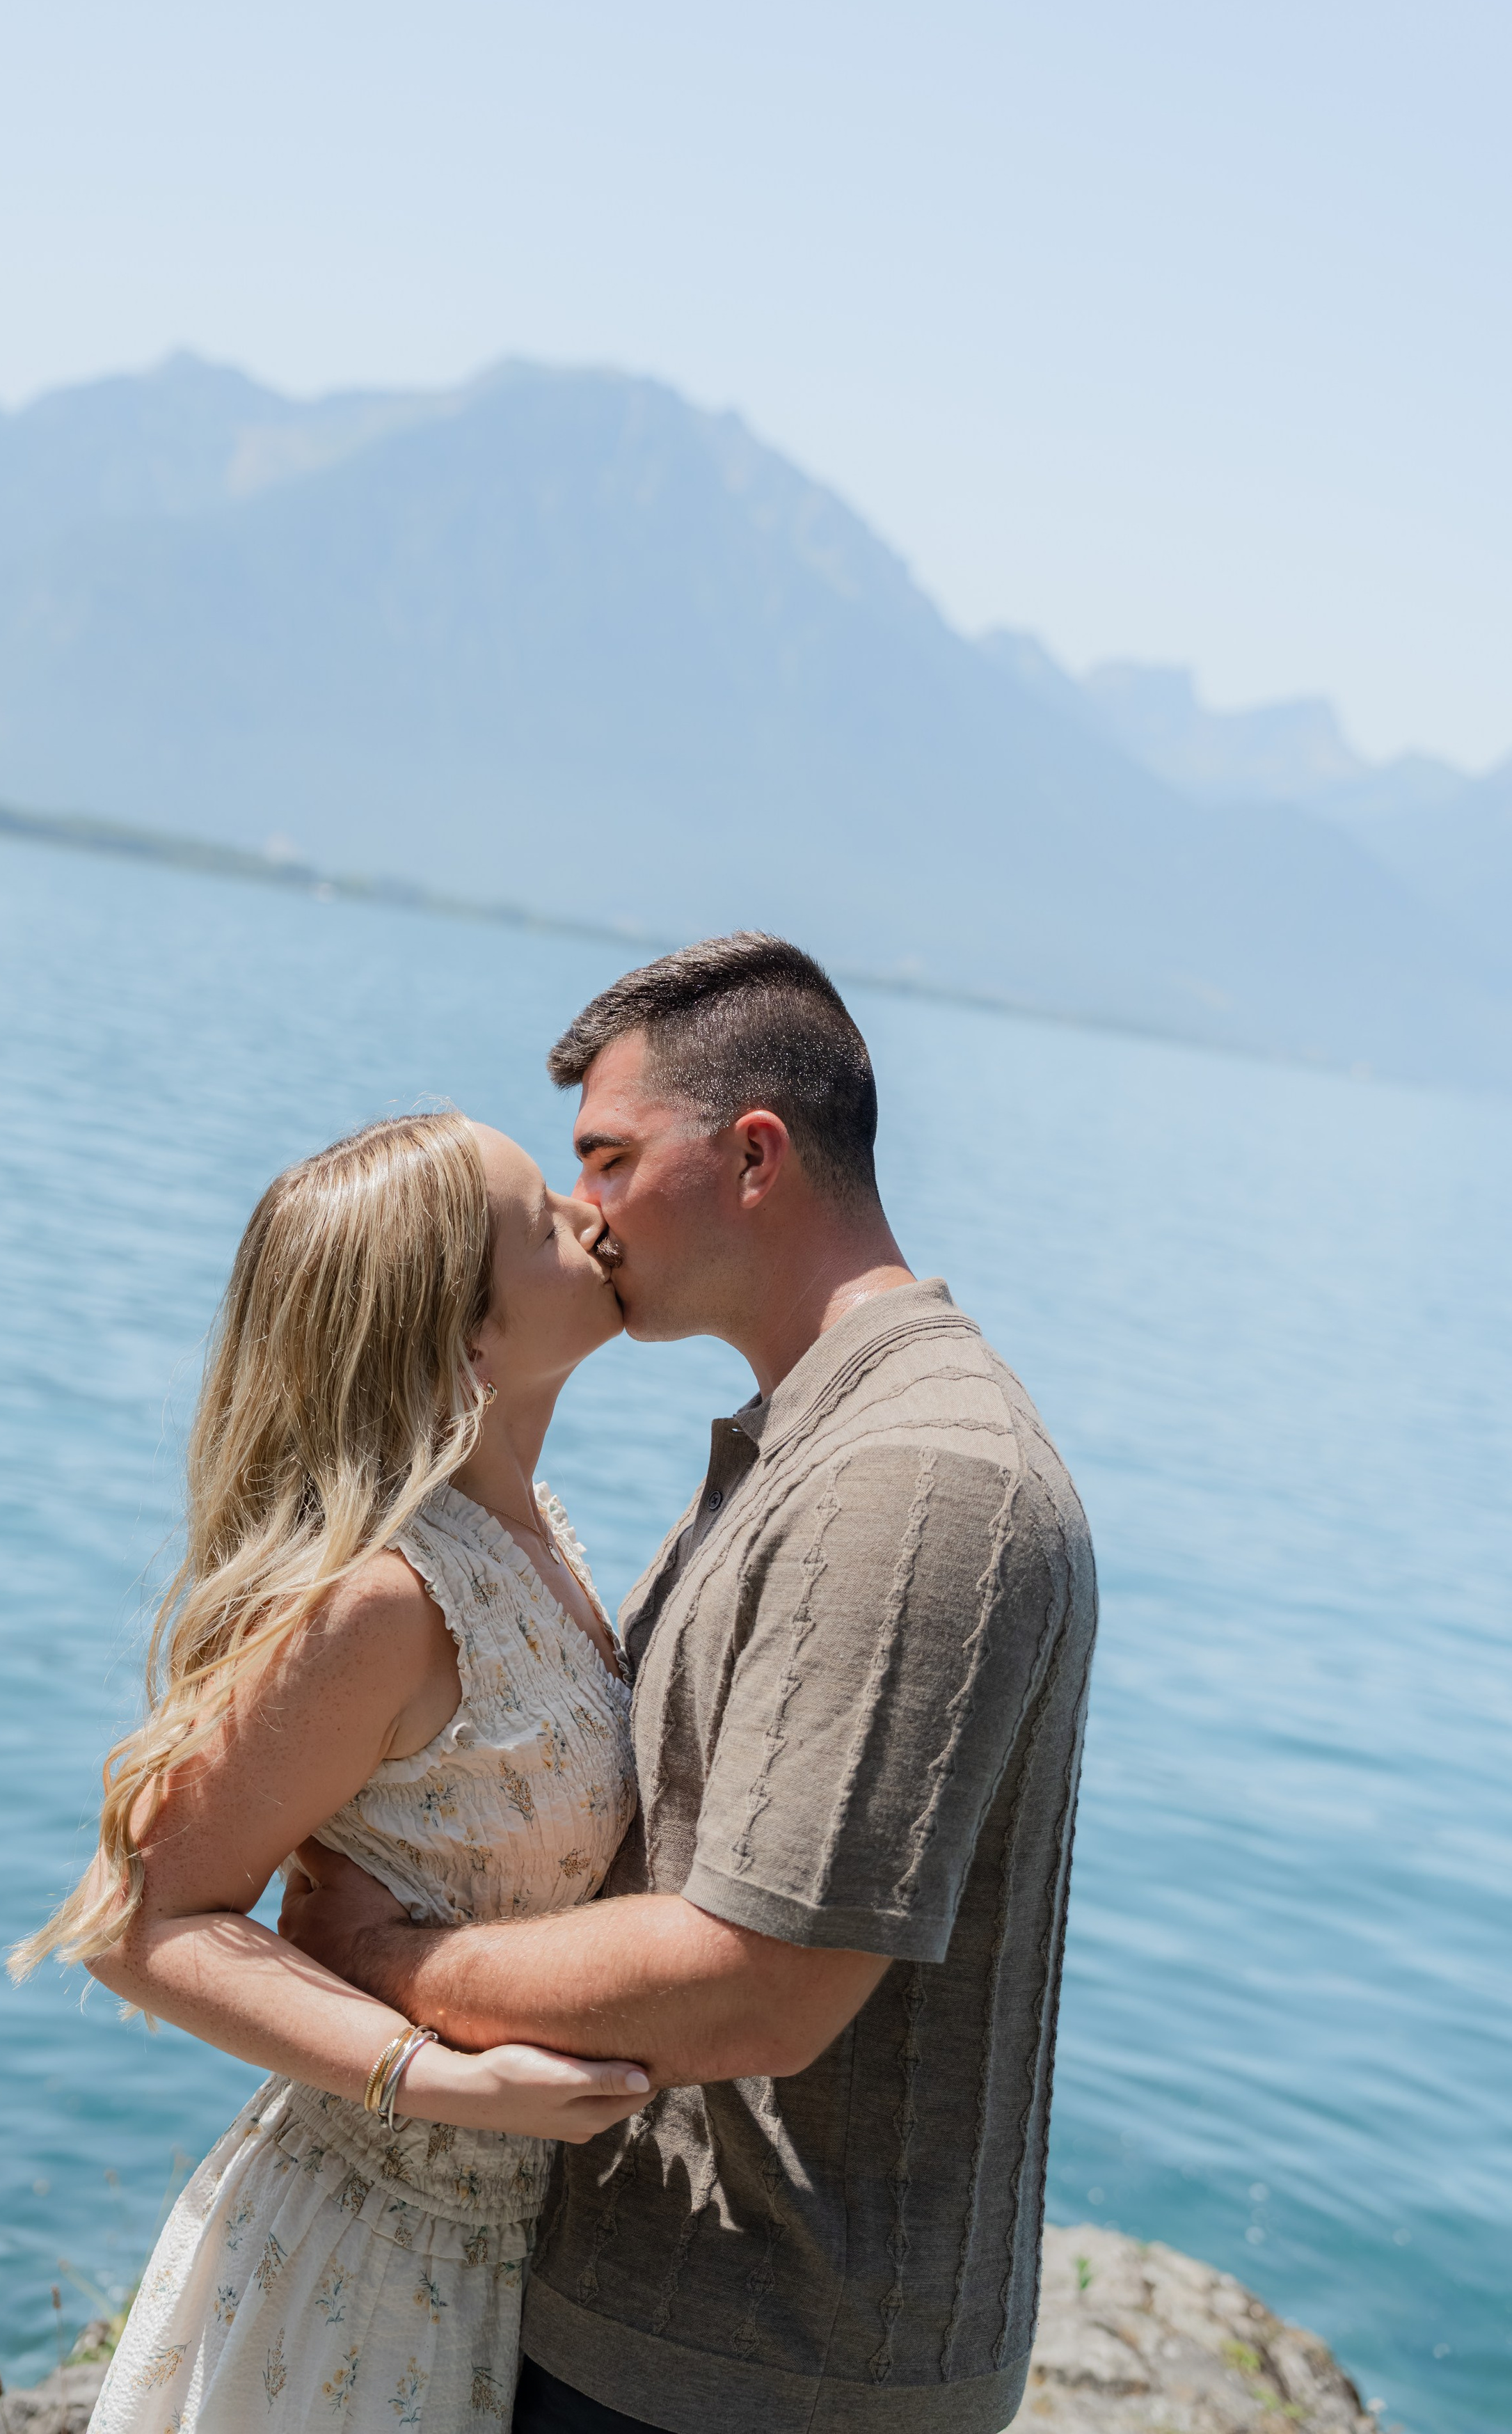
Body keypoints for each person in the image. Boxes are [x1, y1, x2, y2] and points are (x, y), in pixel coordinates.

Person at [280, 933, 1099, 2434]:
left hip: (748, 2378)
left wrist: (396, 1966)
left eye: (604, 1157)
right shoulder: (813, 1440)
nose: (583, 1213)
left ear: (752, 1157)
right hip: (678, 2344)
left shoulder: (911, 1480)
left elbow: (759, 1985)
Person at [12, 1110, 646, 2432]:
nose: (592, 1213)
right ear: (467, 1332)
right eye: (541, 1219)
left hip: (508, 2257)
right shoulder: (390, 1602)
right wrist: (435, 2077)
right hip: (366, 2263)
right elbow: (143, 1922)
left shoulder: (539, 1537)